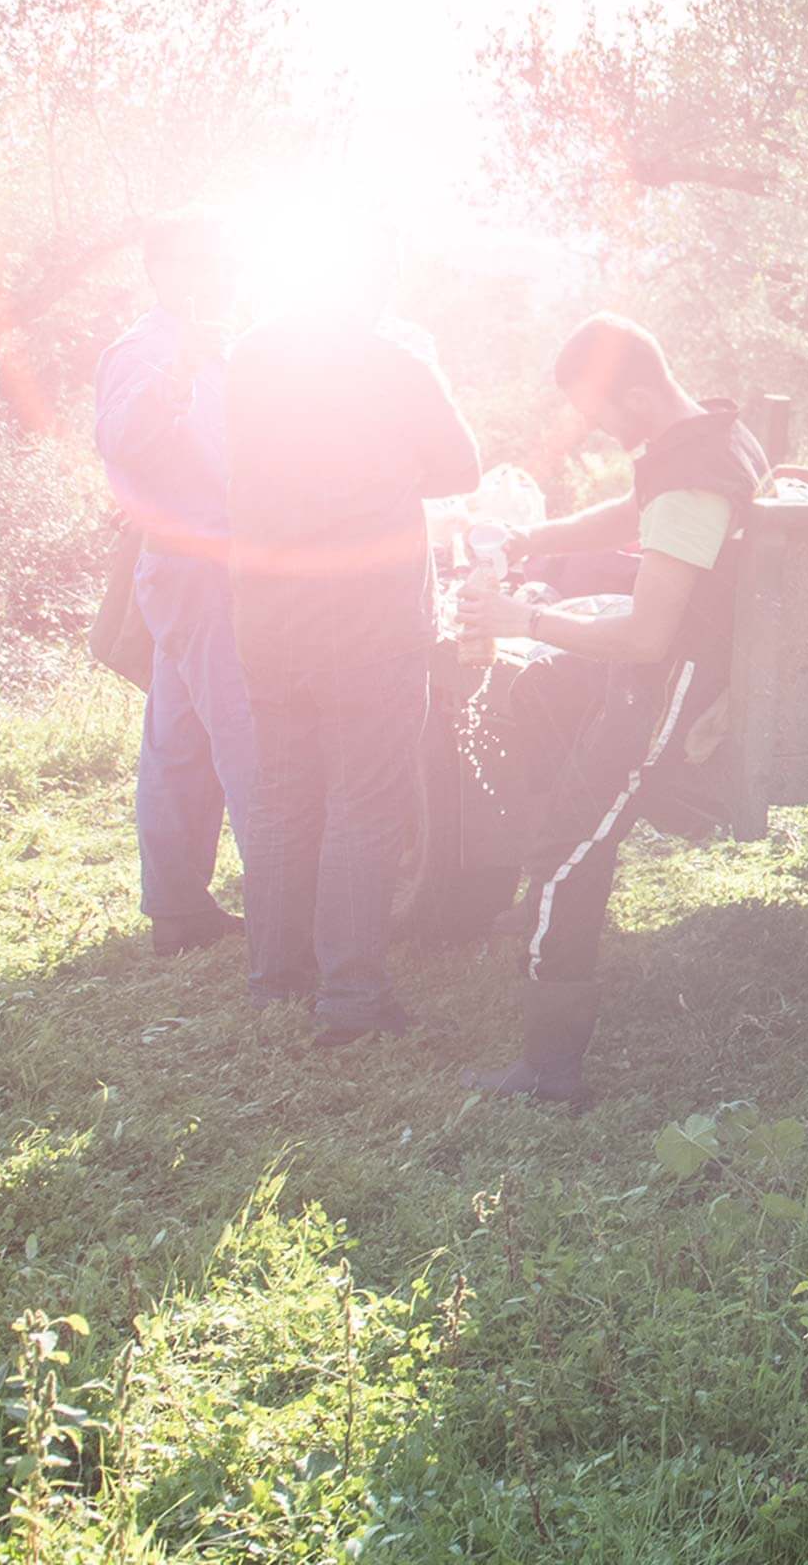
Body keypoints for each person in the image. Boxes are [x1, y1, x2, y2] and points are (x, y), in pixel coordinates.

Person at [457, 313, 768, 1104]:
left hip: (673, 683)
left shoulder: (693, 478)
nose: (593, 429)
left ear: (637, 393)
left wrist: (520, 621)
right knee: (551, 712)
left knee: (571, 846)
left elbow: (643, 636)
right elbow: (636, 513)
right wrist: (535, 541)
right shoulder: (706, 439)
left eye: (598, 412)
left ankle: (549, 1071)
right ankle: (547, 920)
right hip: (668, 666)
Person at [225, 235, 480, 1045]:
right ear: (370, 288)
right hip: (370, 619)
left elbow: (232, 463)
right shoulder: (393, 365)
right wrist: (395, 467)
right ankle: (352, 999)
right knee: (366, 806)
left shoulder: (250, 358)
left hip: (268, 615)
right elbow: (463, 468)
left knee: (283, 798)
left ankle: (275, 979)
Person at [93, 217, 255, 955]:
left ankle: (180, 910)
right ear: (159, 268)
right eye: (202, 262)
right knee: (246, 735)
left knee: (180, 740)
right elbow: (122, 439)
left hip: (199, 565)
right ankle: (286, 918)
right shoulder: (150, 351)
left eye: (226, 260)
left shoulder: (209, 345)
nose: (220, 274)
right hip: (197, 567)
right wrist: (180, 371)